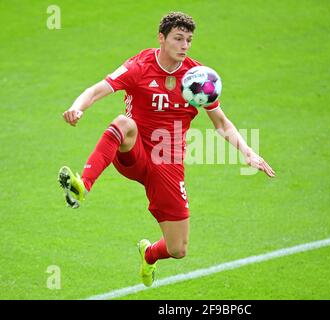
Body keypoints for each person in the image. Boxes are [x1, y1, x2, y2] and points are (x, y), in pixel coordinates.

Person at [58, 12, 275, 287]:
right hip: (134, 152)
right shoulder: (139, 66)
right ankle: (83, 185)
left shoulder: (197, 78)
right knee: (124, 123)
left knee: (178, 248)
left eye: (189, 40)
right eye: (178, 38)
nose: (184, 45)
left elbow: (221, 122)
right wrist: (77, 108)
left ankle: (148, 254)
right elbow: (97, 90)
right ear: (161, 38)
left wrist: (248, 152)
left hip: (168, 163)